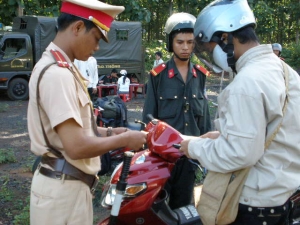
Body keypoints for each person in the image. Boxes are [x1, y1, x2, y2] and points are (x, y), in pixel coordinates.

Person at [179, 0, 300, 224]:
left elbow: (239, 154)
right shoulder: (284, 71)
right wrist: (224, 136)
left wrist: (193, 146)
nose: (210, 57)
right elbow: (277, 131)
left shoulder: (246, 83)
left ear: (225, 38)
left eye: (210, 49)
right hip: (281, 198)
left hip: (253, 203)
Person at [27, 0, 147, 224]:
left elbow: (76, 131)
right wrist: (125, 139)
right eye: (96, 38)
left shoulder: (63, 67)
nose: (97, 47)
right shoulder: (58, 75)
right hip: (63, 193)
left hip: (66, 186)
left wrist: (112, 132)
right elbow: (76, 146)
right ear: (78, 28)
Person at [142, 12, 211, 210]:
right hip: (164, 157)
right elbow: (149, 117)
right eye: (180, 42)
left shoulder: (200, 75)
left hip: (190, 155)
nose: (186, 47)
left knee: (183, 207)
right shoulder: (158, 75)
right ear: (170, 43)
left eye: (190, 42)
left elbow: (204, 117)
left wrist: (208, 150)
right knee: (158, 207)